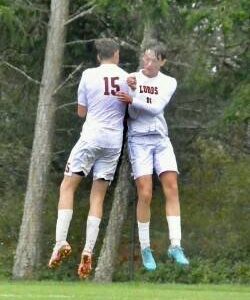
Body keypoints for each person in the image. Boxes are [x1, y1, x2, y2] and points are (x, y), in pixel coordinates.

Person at [48, 38, 129, 279]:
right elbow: (130, 109)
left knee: (68, 187)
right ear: (115, 54)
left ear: (98, 57)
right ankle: (88, 250)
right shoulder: (127, 78)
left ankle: (60, 242)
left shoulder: (88, 75)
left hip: (91, 137)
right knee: (98, 195)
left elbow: (81, 112)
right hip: (113, 142)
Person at [116, 43, 189, 271]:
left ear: (162, 62)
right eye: (145, 59)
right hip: (139, 140)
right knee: (145, 193)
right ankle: (146, 248)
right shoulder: (131, 78)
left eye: (153, 61)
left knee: (172, 188)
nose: (147, 64)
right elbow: (128, 108)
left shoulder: (169, 82)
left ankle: (175, 245)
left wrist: (134, 99)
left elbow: (156, 108)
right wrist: (130, 91)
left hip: (160, 139)